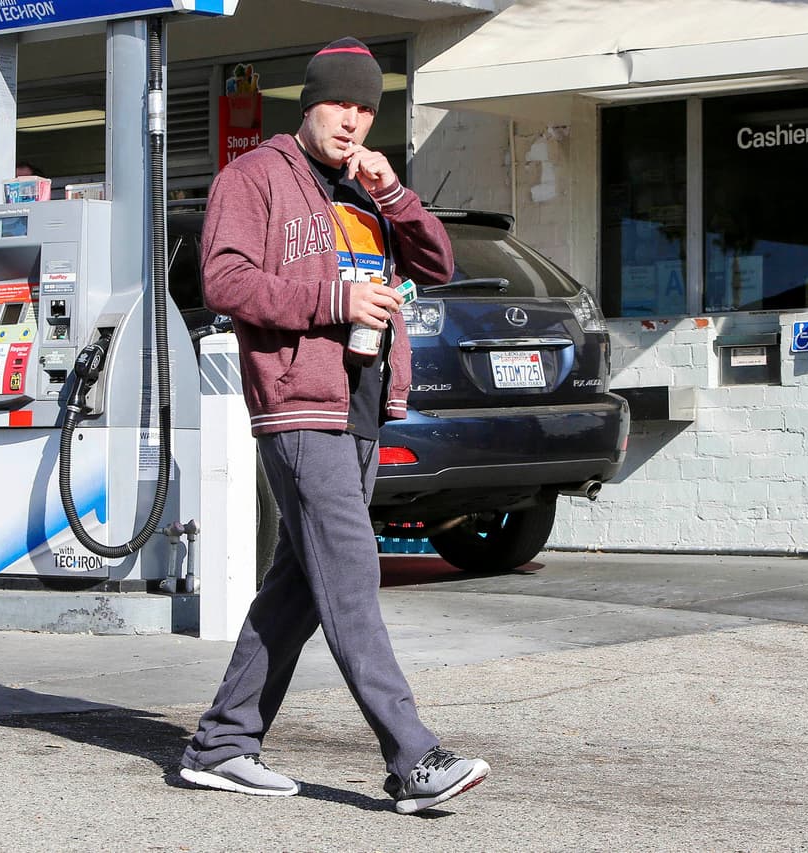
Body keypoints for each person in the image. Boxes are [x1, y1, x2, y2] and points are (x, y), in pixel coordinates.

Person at [179, 37, 490, 815]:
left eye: (366, 108)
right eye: (340, 104)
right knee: (350, 575)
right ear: (309, 103)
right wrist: (334, 302)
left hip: (360, 403)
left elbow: (438, 263)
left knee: (301, 586)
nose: (352, 121)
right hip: (297, 402)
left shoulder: (363, 187)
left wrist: (396, 195)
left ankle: (222, 742)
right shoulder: (254, 176)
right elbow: (222, 278)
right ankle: (413, 757)